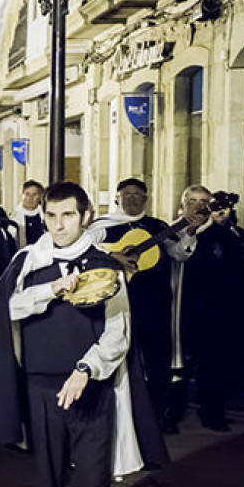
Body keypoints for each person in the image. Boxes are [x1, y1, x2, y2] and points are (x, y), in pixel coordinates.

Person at [0, 182, 168, 487]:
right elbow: (5, 310)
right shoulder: (28, 261)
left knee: (93, 482)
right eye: (51, 215)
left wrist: (85, 369)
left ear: (86, 216)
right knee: (47, 480)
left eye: (68, 215)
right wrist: (51, 290)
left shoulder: (105, 264)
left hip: (90, 384)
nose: (59, 224)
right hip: (40, 383)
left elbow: (118, 332)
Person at [88, 178, 177, 433]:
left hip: (155, 304)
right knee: (119, 357)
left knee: (157, 360)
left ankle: (158, 415)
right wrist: (112, 255)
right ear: (117, 197)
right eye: (126, 194)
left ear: (146, 199)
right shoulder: (104, 226)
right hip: (118, 303)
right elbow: (85, 247)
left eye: (138, 194)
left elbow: (180, 252)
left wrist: (189, 231)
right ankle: (117, 415)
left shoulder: (158, 226)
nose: (131, 198)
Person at [165, 185, 244, 432]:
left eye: (204, 200)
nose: (198, 205)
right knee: (175, 363)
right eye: (192, 200)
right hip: (178, 308)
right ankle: (173, 410)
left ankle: (212, 411)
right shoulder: (170, 232)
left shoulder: (225, 237)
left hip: (213, 314)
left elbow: (236, 278)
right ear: (183, 204)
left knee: (213, 364)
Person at [11, 180, 46, 247]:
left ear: (40, 196)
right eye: (27, 194)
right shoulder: (14, 217)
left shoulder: (45, 214)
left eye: (34, 194)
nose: (30, 198)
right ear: (22, 195)